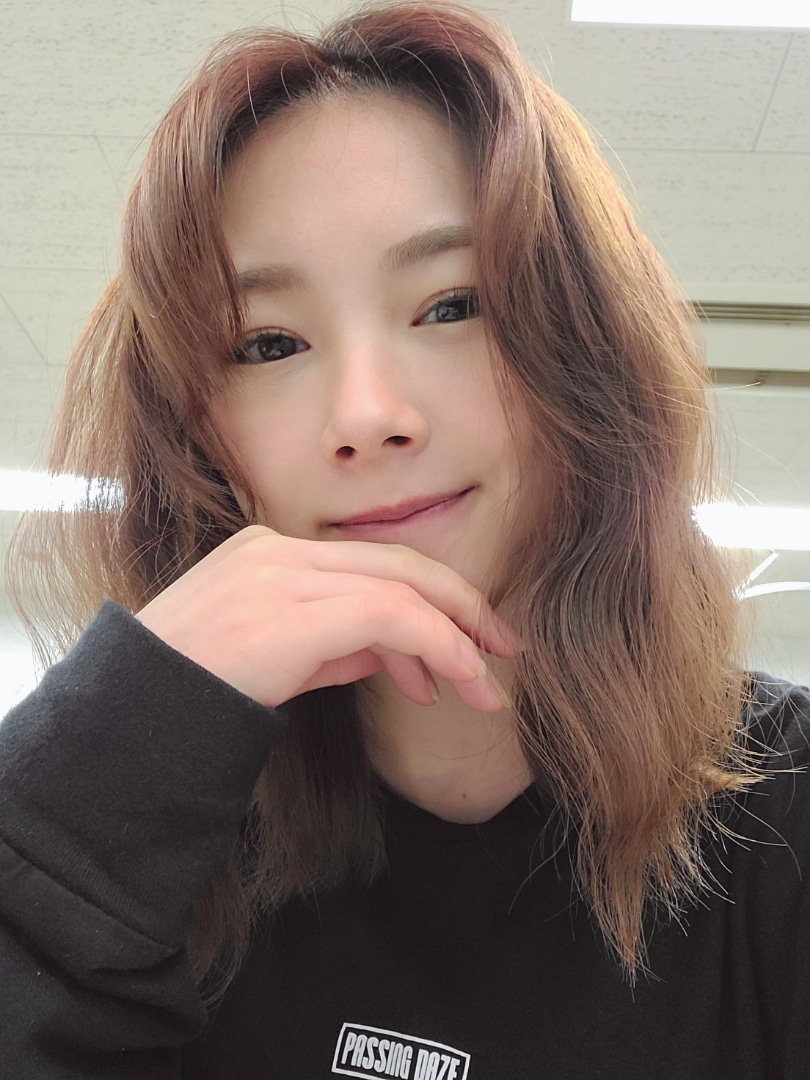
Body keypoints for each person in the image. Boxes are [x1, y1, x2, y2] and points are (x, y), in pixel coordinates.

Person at [1, 0, 809, 1076]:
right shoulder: (153, 842)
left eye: (452, 304)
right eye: (268, 344)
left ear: (587, 351)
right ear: (195, 433)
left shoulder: (785, 819)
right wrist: (109, 744)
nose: (367, 413)